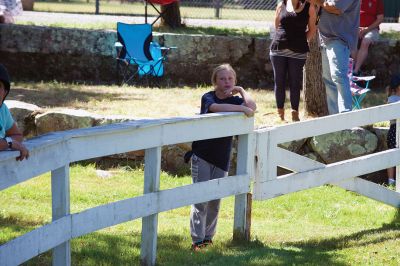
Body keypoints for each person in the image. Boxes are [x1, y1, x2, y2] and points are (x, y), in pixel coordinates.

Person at [188, 64, 256, 251]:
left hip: (221, 157)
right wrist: (241, 110)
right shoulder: (208, 97)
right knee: (201, 199)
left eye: (230, 79)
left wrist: (241, 91)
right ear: (215, 81)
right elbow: (216, 107)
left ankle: (208, 238)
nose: (226, 82)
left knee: (215, 201)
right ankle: (197, 240)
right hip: (202, 155)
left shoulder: (236, 99)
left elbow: (252, 106)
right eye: (222, 79)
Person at [307, 0, 360, 115]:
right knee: (328, 80)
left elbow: (335, 8)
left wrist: (316, 1)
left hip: (338, 39)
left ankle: (345, 115)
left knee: (338, 76)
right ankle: (334, 118)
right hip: (326, 39)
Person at [270, 0, 317, 122]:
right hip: (278, 49)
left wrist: (300, 40)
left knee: (295, 82)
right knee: (279, 81)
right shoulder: (282, 5)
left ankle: (294, 112)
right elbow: (276, 26)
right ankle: (280, 113)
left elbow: (312, 29)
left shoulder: (309, 7)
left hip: (298, 52)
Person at [0, 64, 29, 161]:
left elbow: (17, 135)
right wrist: (9, 143)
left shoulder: (2, 109)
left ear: (5, 92)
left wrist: (7, 142)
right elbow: (12, 140)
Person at [352, 0, 384, 76]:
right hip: (355, 28)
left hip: (372, 29)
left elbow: (380, 19)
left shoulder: (377, 1)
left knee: (366, 41)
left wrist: (366, 30)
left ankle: (355, 71)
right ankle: (355, 69)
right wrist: (356, 28)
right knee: (351, 41)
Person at [386, 74, 400, 186]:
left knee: (393, 154)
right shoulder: (393, 99)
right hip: (395, 129)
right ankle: (391, 180)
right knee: (392, 154)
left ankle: (393, 179)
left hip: (394, 129)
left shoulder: (392, 98)